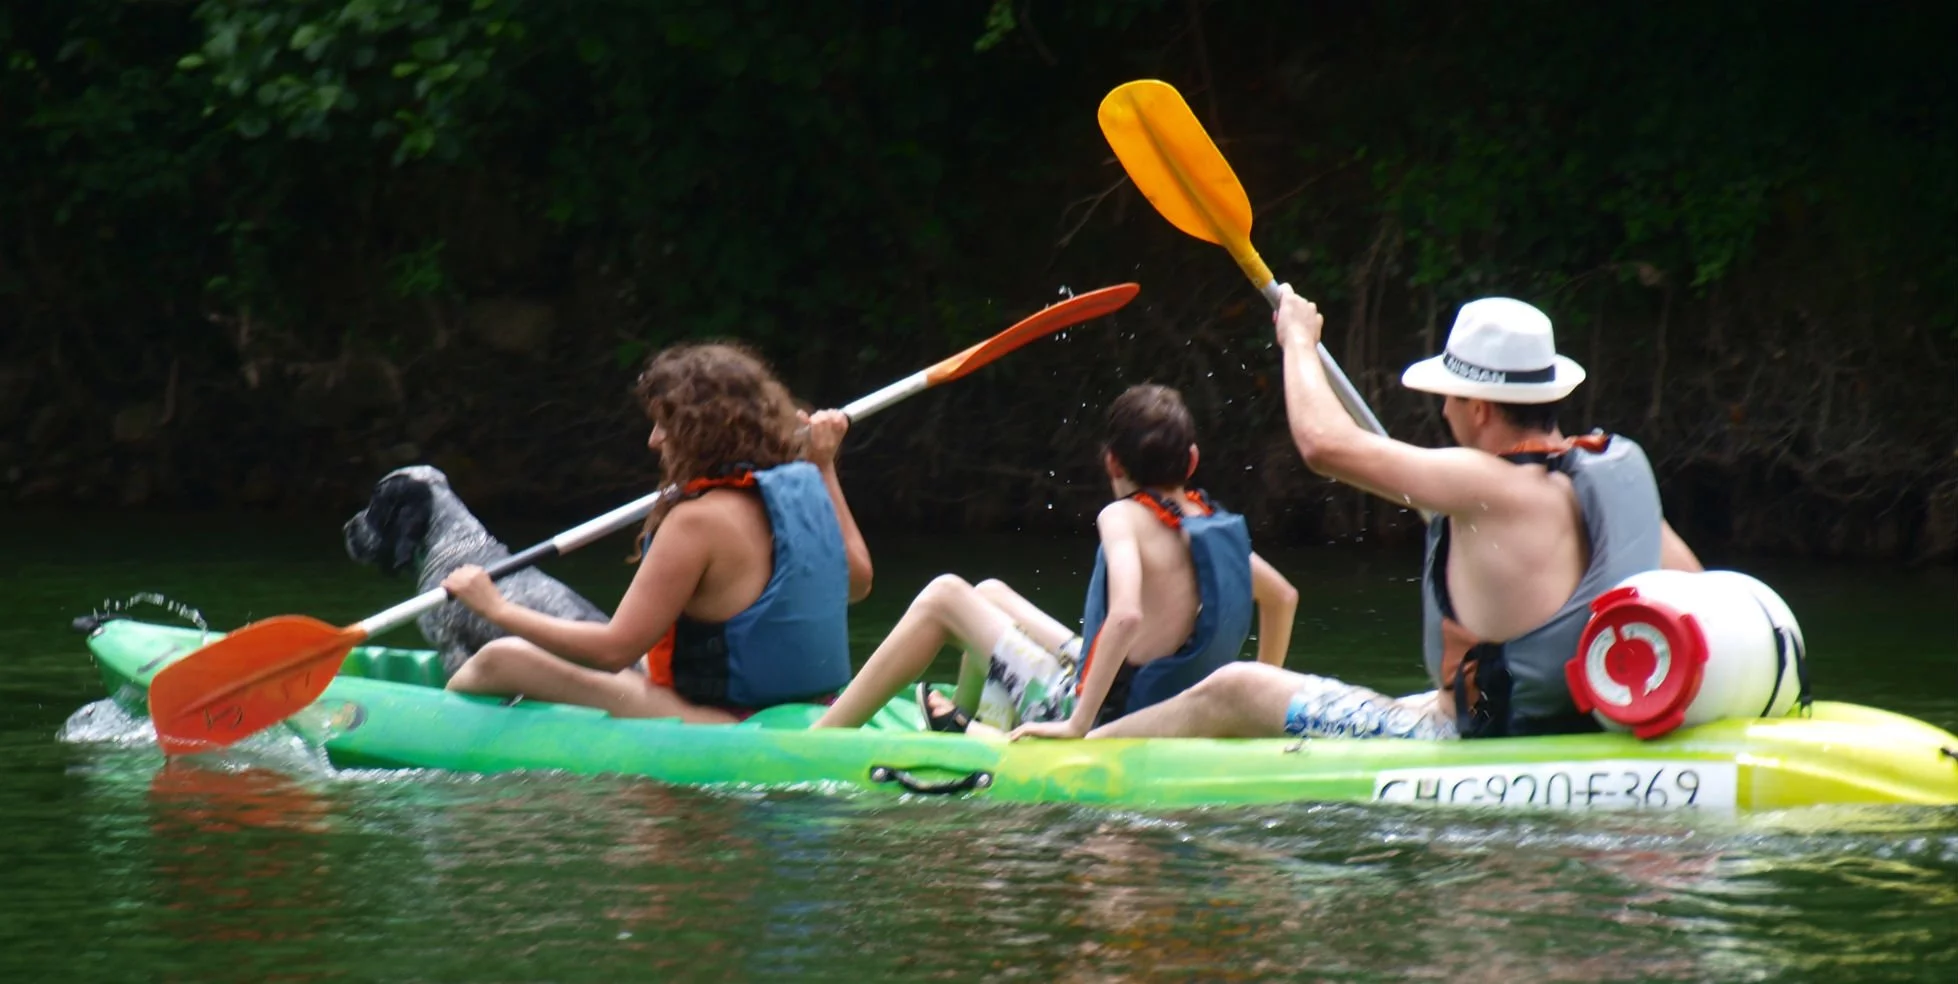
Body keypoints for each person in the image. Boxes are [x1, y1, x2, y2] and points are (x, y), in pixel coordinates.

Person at [1091, 289, 1702, 742]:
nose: (1444, 412)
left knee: (1235, 688)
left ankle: (1081, 749)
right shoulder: (1613, 470)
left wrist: (1298, 342)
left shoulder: (1484, 481)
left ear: (1480, 409)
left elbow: (1323, 446)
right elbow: (1692, 583)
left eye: (1449, 399)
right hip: (1583, 717)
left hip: (1477, 735)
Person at [811, 384, 1298, 738]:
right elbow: (1282, 597)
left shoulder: (1123, 517)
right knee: (989, 594)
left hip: (1102, 714)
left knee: (944, 596)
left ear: (1112, 462)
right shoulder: (1212, 524)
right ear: (1190, 461)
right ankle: (965, 720)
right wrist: (1252, 706)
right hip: (1159, 704)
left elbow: (1126, 615)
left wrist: (1077, 723)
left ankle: (824, 736)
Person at [439, 342, 874, 722]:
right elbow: (857, 585)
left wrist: (495, 608)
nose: (653, 440)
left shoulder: (696, 521)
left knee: (500, 658)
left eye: (666, 424)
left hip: (725, 722)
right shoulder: (806, 485)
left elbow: (613, 651)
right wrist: (824, 466)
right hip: (822, 707)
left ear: (703, 432)